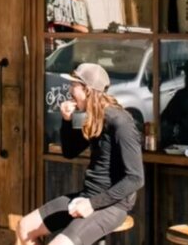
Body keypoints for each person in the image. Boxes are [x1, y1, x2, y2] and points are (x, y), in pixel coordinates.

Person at [16, 63, 144, 245]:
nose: (70, 90)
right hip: (87, 195)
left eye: (74, 85)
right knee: (24, 227)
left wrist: (92, 204)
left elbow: (136, 178)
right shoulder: (93, 117)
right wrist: (66, 121)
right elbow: (70, 152)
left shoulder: (120, 122)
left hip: (112, 205)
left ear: (88, 90)